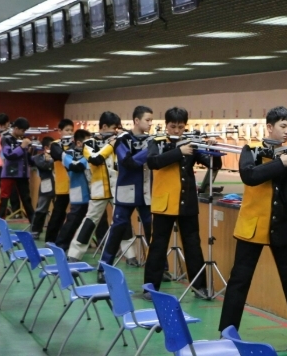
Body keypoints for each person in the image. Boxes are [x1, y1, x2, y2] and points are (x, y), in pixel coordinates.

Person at [219, 106, 287, 336]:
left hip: (281, 225)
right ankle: (227, 330)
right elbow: (250, 176)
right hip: (252, 225)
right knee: (239, 280)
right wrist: (280, 163)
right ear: (269, 127)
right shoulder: (250, 150)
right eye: (283, 126)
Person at [144, 107, 221, 299]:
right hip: (164, 204)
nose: (177, 130)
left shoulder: (191, 143)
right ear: (166, 125)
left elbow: (213, 165)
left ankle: (199, 287)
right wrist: (179, 151)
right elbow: (153, 162)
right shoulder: (157, 142)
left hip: (187, 203)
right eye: (173, 126)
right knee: (158, 245)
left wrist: (212, 149)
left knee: (193, 245)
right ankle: (150, 287)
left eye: (180, 127)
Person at [67, 112, 136, 263]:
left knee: (123, 221)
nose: (115, 131)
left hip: (118, 188)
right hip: (99, 190)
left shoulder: (120, 141)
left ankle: (131, 255)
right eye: (113, 128)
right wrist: (111, 145)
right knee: (90, 222)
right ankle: (74, 253)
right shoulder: (89, 143)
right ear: (104, 126)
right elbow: (96, 159)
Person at [99, 106, 154, 280]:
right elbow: (128, 162)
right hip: (126, 192)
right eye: (147, 120)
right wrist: (150, 151)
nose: (150, 124)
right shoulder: (122, 139)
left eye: (151, 120)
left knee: (153, 231)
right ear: (136, 120)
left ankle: (160, 268)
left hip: (146, 193)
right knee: (117, 231)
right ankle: (103, 268)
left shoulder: (152, 139)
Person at [55, 129, 92, 250]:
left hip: (94, 192)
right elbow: (75, 166)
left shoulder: (90, 152)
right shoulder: (68, 154)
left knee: (98, 221)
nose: (90, 145)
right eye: (88, 142)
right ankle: (61, 245)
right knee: (73, 220)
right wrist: (88, 157)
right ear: (79, 143)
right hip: (78, 191)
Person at [0, 118, 35, 221]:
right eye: (23, 130)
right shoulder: (6, 139)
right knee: (4, 198)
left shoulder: (23, 140)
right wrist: (22, 147)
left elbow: (28, 159)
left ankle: (34, 224)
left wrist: (32, 155)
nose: (24, 133)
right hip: (9, 173)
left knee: (26, 199)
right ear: (16, 128)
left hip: (22, 174)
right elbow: (9, 155)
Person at [44, 119, 75, 243]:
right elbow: (60, 155)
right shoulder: (55, 144)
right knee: (58, 214)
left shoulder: (76, 143)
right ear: (60, 131)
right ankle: (50, 240)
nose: (70, 132)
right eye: (67, 130)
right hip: (62, 185)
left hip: (76, 185)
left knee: (77, 214)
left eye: (72, 130)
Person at [30, 137, 56, 238]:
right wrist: (51, 161)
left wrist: (51, 160)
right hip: (46, 184)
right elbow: (44, 166)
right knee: (41, 208)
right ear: (46, 147)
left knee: (58, 210)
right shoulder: (38, 157)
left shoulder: (58, 156)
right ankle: (35, 231)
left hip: (59, 184)